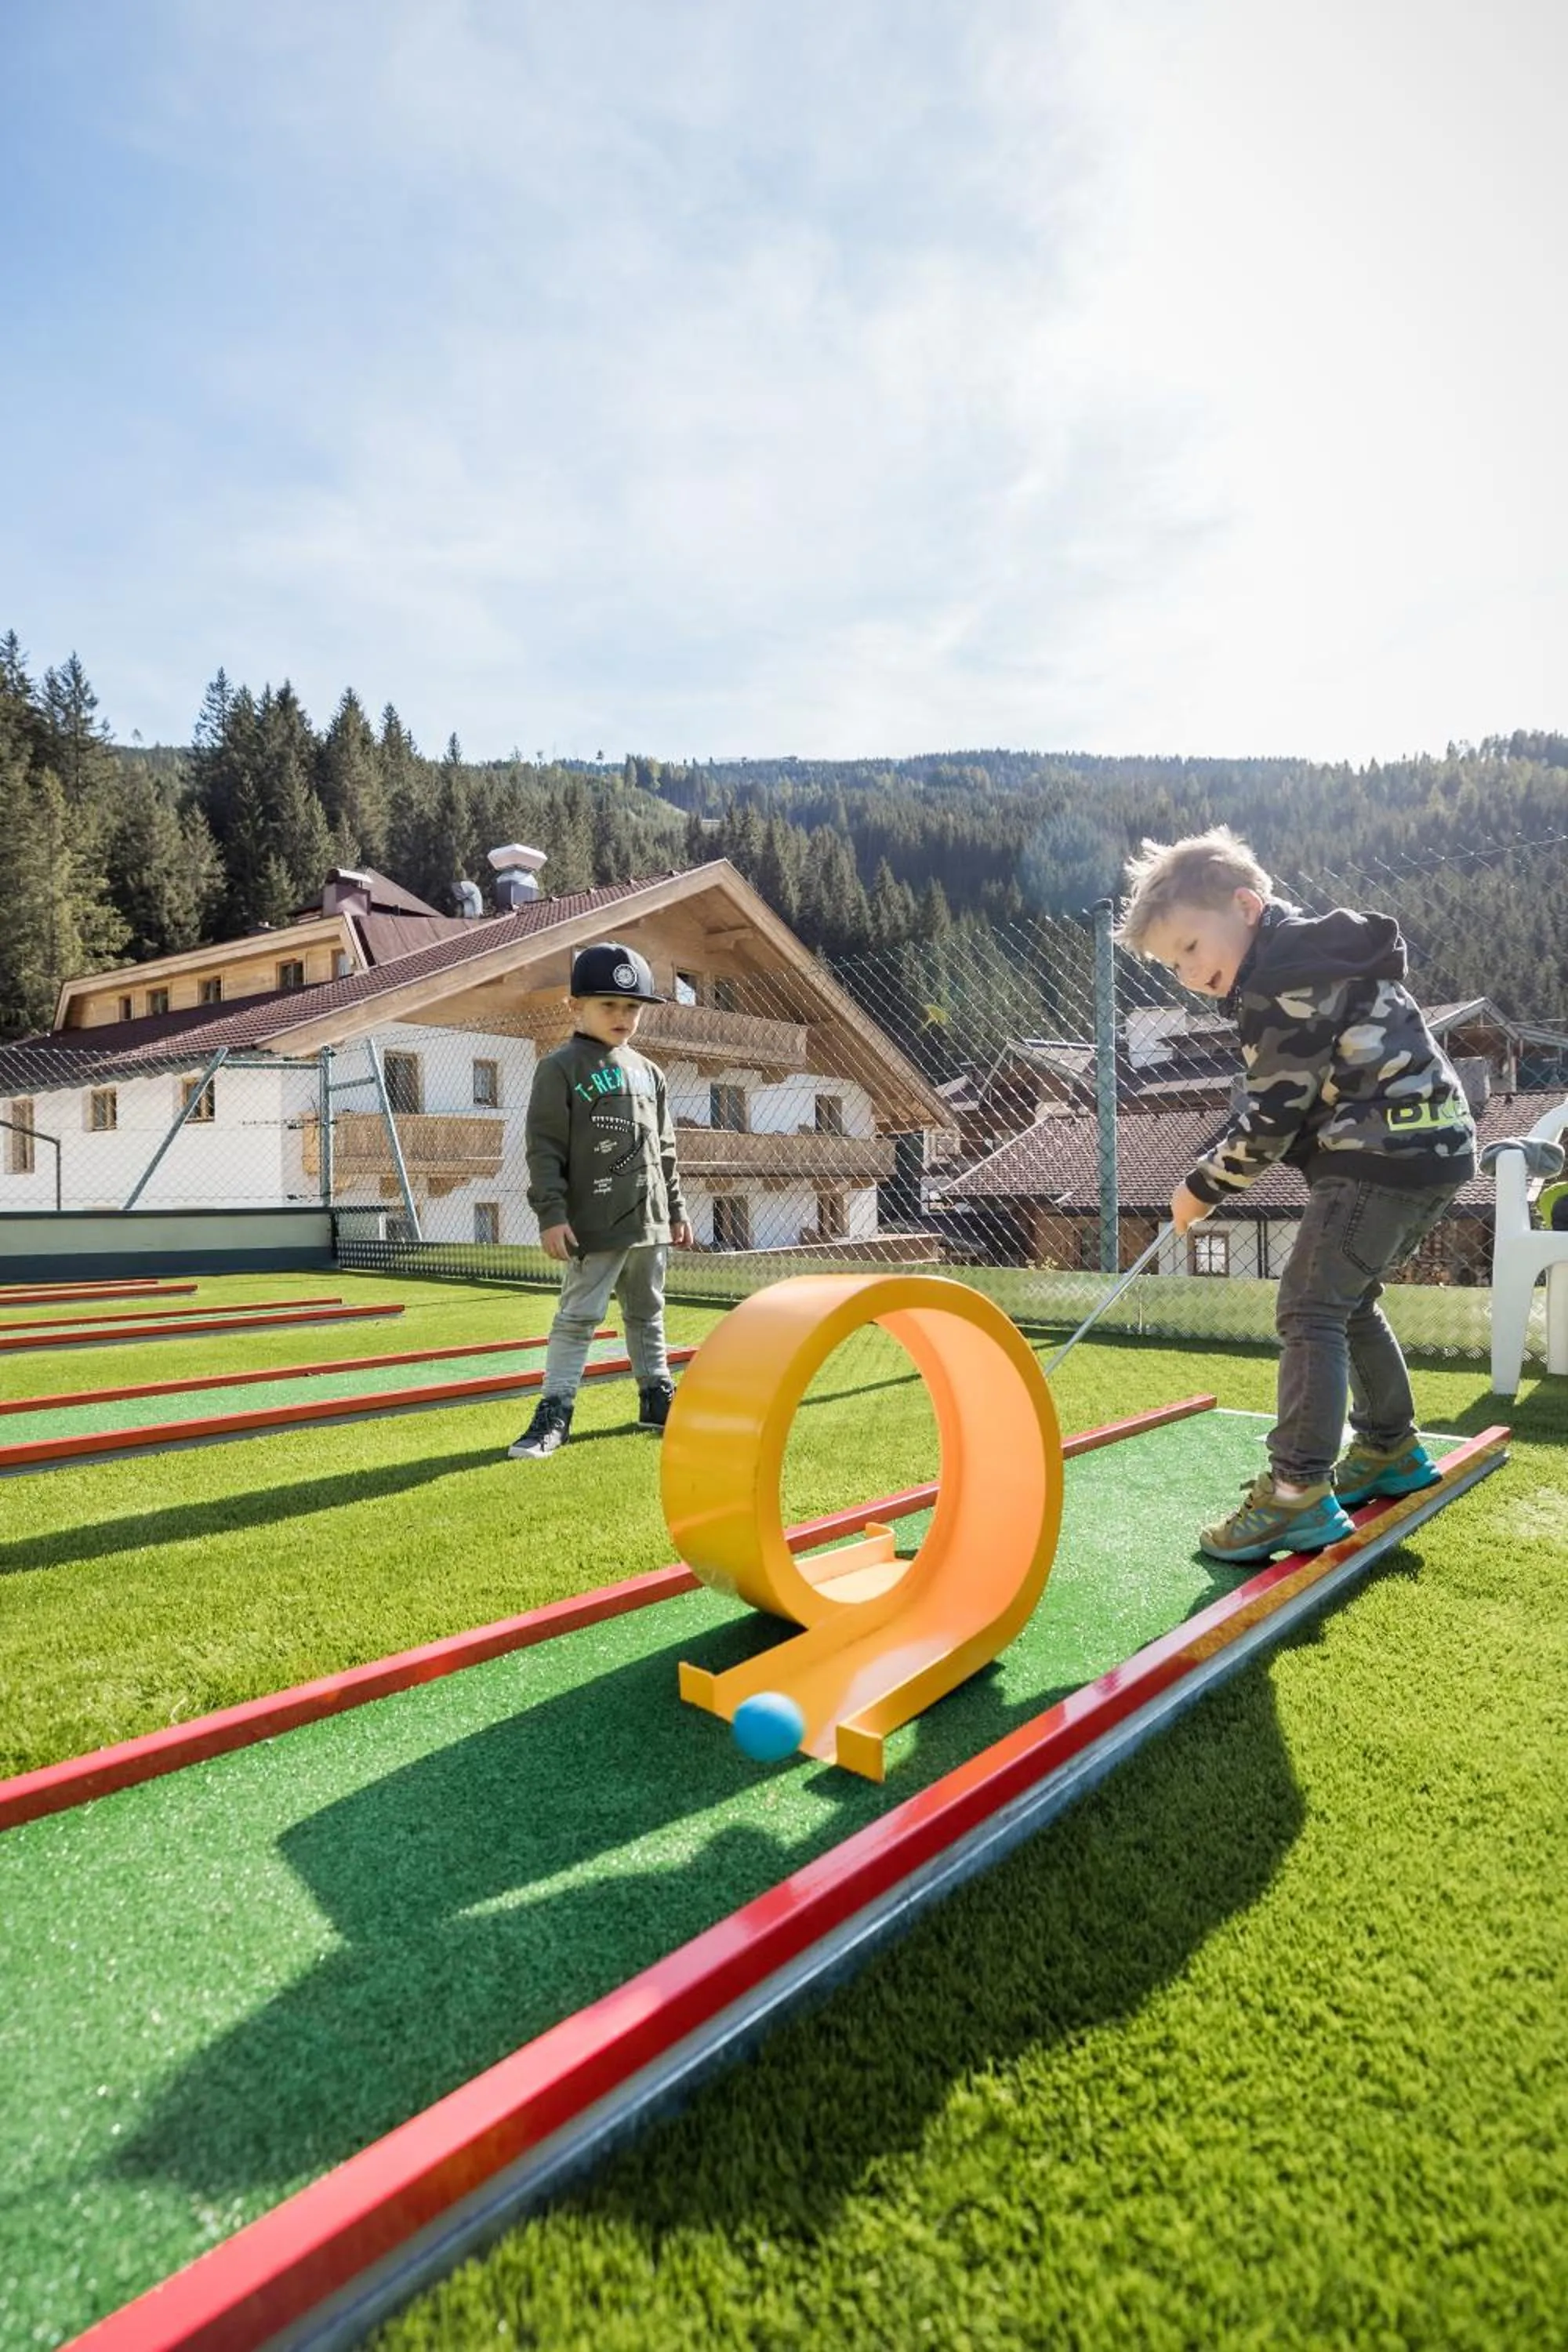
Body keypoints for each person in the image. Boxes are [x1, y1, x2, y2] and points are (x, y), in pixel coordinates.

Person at [1116, 826, 1476, 1563]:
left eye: (1189, 947)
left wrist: (1201, 1187)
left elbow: (1273, 1118)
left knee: (1309, 1305)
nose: (1185, 973)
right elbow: (1291, 1098)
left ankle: (1295, 1494)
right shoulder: (1305, 962)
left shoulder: (1285, 980)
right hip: (1433, 1149)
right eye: (1169, 965)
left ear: (1246, 906)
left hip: (1379, 1154)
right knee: (1346, 1302)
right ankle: (1387, 1449)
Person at [508, 941, 692, 1461]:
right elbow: (543, 1147)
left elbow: (665, 1149)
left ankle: (657, 1399)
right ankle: (555, 1413)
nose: (622, 1016)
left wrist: (675, 1210)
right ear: (575, 1007)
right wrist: (551, 1214)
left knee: (647, 1313)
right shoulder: (560, 1067)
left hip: (651, 1223)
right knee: (577, 1318)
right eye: (608, 1005)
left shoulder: (650, 1073)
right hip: (595, 1224)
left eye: (631, 1007)